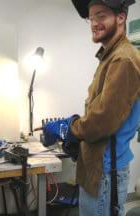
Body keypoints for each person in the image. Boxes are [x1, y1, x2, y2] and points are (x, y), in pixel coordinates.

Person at [43, 0, 140, 215]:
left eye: (101, 16)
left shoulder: (123, 59)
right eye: (91, 17)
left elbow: (103, 120)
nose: (94, 23)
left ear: (121, 17)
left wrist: (70, 127)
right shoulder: (110, 56)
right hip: (97, 166)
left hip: (106, 170)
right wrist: (75, 131)